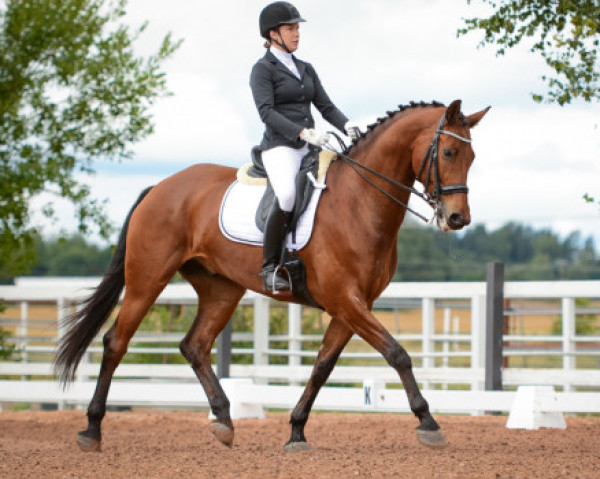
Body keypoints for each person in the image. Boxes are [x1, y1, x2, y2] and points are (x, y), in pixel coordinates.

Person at [250, 1, 360, 292]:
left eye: (297, 28)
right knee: (286, 195)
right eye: (290, 29)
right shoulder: (262, 70)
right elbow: (266, 112)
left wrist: (348, 126)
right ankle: (270, 268)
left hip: (309, 146)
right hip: (280, 147)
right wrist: (302, 133)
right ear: (273, 34)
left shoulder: (305, 68)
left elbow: (325, 105)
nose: (297, 34)